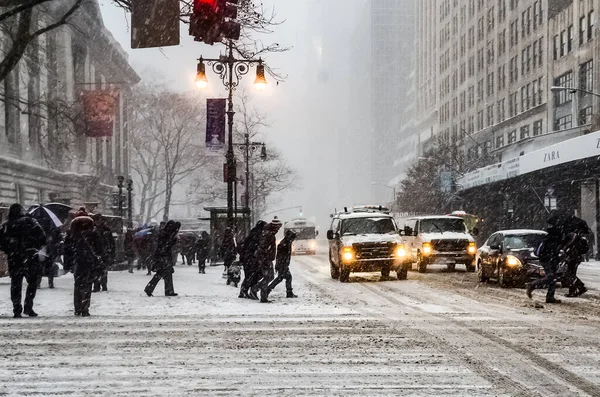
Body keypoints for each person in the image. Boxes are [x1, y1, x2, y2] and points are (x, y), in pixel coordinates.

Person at [0, 204, 46, 318]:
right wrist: (36, 246)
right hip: (30, 256)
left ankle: (17, 309)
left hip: (14, 257)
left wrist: (9, 249)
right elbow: (42, 237)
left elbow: (1, 241)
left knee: (16, 283)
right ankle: (28, 307)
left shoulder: (7, 225)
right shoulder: (31, 222)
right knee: (32, 282)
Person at [65, 214, 102, 317]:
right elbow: (99, 248)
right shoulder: (93, 235)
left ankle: (77, 307)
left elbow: (67, 250)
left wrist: (68, 264)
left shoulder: (72, 236)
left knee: (77, 284)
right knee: (88, 285)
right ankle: (85, 307)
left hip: (77, 262)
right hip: (89, 262)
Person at [527, 219, 563, 303]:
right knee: (551, 277)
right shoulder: (554, 237)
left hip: (549, 258)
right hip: (548, 259)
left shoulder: (550, 236)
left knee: (553, 277)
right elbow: (553, 249)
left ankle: (550, 297)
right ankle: (532, 285)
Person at [144, 220, 180, 297]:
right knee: (164, 273)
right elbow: (166, 245)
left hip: (162, 256)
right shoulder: (166, 235)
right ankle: (167, 290)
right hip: (163, 256)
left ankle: (151, 288)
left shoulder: (164, 233)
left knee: (164, 273)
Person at [251, 217, 282, 303]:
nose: (279, 230)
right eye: (278, 227)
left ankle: (256, 289)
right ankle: (261, 294)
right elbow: (263, 247)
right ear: (275, 227)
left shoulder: (268, 233)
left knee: (269, 276)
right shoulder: (269, 234)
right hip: (265, 258)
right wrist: (265, 257)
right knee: (268, 276)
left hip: (265, 258)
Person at [239, 221, 267, 299]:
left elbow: (245, 247)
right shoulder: (256, 235)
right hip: (251, 258)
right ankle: (245, 291)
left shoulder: (253, 234)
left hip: (248, 258)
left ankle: (245, 290)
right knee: (252, 275)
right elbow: (253, 247)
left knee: (251, 275)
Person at [267, 229, 298, 299]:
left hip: (283, 264)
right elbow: (280, 256)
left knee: (282, 278)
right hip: (282, 265)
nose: (293, 240)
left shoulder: (286, 243)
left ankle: (269, 289)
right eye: (292, 238)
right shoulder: (284, 244)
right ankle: (268, 289)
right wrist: (280, 265)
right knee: (284, 278)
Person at [91, 214, 115, 293]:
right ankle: (96, 285)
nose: (98, 222)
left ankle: (104, 284)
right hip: (96, 252)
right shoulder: (92, 230)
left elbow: (111, 242)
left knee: (103, 269)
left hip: (104, 252)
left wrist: (111, 253)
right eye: (97, 220)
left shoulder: (106, 230)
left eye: (100, 220)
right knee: (95, 270)